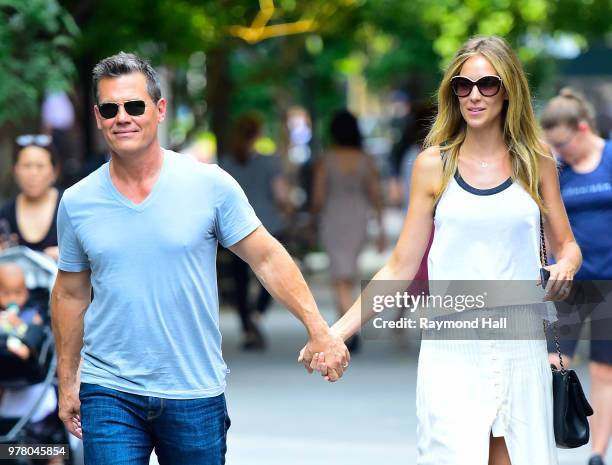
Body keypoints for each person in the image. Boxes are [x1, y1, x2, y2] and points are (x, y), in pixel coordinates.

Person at [51, 52, 348, 465]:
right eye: (110, 108)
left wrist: (319, 329)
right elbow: (69, 293)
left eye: (135, 106)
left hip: (193, 390)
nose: (123, 117)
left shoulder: (209, 185)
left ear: (159, 110)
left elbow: (265, 257)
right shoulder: (78, 201)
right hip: (109, 389)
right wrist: (67, 381)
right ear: (98, 117)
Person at [300, 35, 582, 465]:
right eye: (462, 85)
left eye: (487, 84)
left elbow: (567, 246)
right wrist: (336, 332)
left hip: (520, 346)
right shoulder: (434, 165)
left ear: (508, 90)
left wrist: (565, 267)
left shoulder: (535, 160)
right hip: (452, 351)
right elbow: (400, 265)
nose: (473, 95)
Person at [542, 88, 612, 465]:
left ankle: (598, 452)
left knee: (604, 368)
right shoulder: (558, 171)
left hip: (609, 282)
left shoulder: (610, 158)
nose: (560, 152)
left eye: (564, 143)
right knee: (554, 362)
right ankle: (556, 438)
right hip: (568, 281)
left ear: (583, 128)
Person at [310, 109, 386, 352]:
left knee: (338, 276)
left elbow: (318, 197)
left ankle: (347, 329)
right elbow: (376, 195)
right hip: (358, 218)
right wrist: (381, 228)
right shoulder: (366, 159)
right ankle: (348, 327)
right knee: (348, 274)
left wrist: (312, 220)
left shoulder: (327, 160)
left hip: (334, 218)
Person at [220, 113, 290, 350]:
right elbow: (281, 196)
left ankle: (247, 328)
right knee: (271, 274)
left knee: (240, 280)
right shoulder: (270, 162)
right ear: (258, 134)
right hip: (267, 225)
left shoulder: (226, 163)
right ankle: (256, 314)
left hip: (234, 229)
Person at [0, 138, 61, 261]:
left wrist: (68, 255)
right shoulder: (5, 213)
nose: (33, 173)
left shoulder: (70, 204)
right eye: (26, 166)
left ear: (54, 171)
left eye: (40, 166)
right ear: (15, 170)